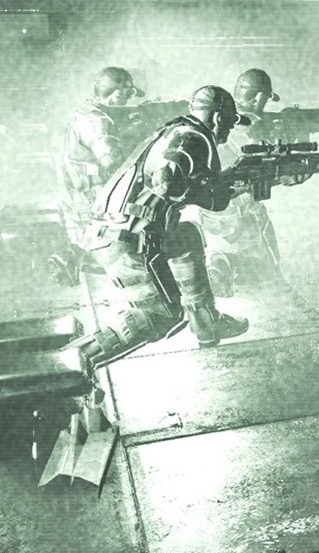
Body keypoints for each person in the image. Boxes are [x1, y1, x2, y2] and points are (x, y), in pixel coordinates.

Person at [73, 85, 251, 367]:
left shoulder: (178, 131)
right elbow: (166, 182)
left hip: (115, 231)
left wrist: (233, 184)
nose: (229, 130)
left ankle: (207, 324)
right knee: (161, 316)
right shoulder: (193, 139)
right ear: (218, 117)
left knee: (187, 236)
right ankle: (76, 360)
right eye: (230, 122)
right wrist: (216, 192)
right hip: (126, 241)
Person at [50, 66, 148, 287]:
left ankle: (76, 256)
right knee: (134, 273)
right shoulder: (96, 122)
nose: (129, 99)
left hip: (84, 204)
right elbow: (114, 164)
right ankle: (75, 257)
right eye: (128, 93)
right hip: (95, 208)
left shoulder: (86, 113)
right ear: (118, 92)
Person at [195, 69, 289, 293]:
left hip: (216, 204)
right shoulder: (247, 124)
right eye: (265, 98)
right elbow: (261, 161)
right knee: (266, 271)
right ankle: (220, 265)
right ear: (260, 96)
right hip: (237, 205)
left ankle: (223, 268)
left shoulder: (224, 115)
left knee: (259, 267)